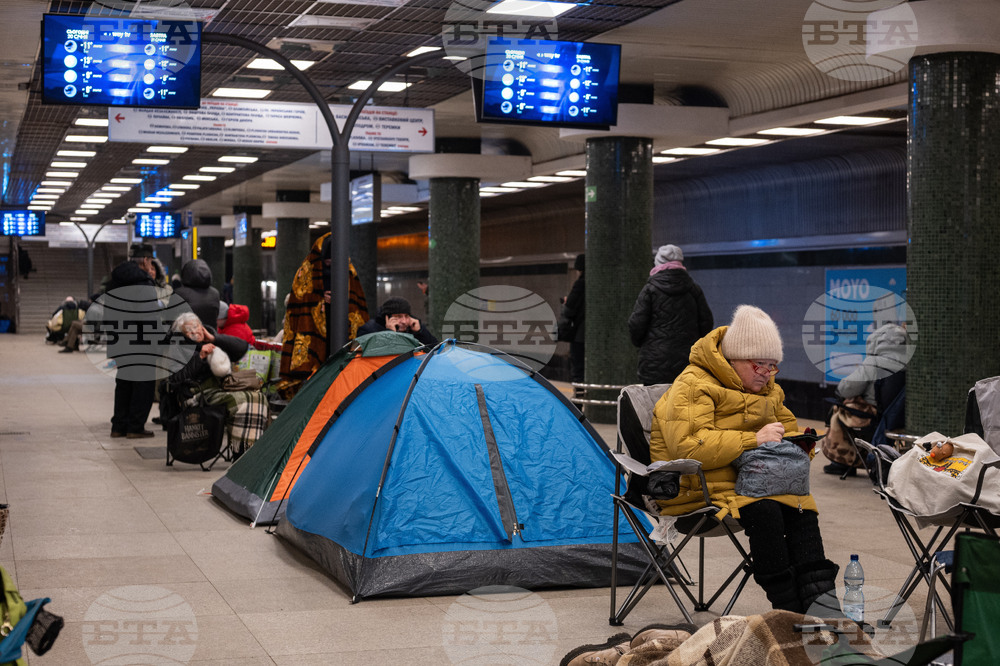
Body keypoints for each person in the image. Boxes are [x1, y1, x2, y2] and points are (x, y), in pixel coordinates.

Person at [650, 305, 839, 615]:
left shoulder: (769, 390)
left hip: (754, 480)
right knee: (765, 511)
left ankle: (824, 614)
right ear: (733, 359)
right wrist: (754, 439)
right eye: (759, 365)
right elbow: (688, 447)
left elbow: (788, 429)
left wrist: (802, 445)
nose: (766, 374)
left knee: (802, 507)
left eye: (772, 366)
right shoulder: (693, 384)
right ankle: (788, 614)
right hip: (697, 488)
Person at [275, 233, 369, 399]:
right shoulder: (306, 273)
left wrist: (340, 302)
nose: (330, 265)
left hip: (341, 333)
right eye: (327, 261)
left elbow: (356, 306)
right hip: (313, 337)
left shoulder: (349, 273)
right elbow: (300, 305)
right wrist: (320, 301)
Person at [165, 312, 268, 456]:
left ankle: (251, 449)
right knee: (239, 401)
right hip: (195, 393)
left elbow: (242, 347)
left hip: (219, 389)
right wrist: (200, 357)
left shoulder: (211, 341)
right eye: (189, 330)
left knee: (257, 397)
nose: (194, 332)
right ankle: (240, 450)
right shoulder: (178, 348)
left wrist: (214, 338)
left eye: (197, 327)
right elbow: (176, 379)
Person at [821, 322, 910, 476]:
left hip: (872, 416)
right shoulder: (911, 364)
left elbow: (847, 388)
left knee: (839, 409)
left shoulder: (874, 362)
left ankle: (841, 462)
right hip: (898, 419)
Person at [628, 244, 714, 385]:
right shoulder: (694, 289)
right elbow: (707, 323)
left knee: (654, 404)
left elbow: (636, 324)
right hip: (687, 362)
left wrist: (644, 346)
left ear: (658, 263)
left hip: (654, 362)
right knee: (684, 402)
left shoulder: (650, 289)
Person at [105, 244, 159, 439]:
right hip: (141, 342)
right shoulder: (143, 283)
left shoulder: (114, 281)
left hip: (120, 341)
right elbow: (149, 318)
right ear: (145, 260)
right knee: (143, 385)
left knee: (124, 383)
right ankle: (135, 427)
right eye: (151, 261)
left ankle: (118, 426)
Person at [357, 297, 439, 346]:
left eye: (406, 316)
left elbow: (435, 348)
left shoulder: (413, 326)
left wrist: (420, 332)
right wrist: (389, 333)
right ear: (387, 317)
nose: (404, 321)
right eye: (398, 316)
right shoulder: (368, 330)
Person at [171, 259, 221, 331]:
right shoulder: (215, 293)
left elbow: (170, 317)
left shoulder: (179, 293)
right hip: (210, 335)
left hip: (187, 337)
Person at [559, 253, 586, 385]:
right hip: (591, 336)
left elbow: (569, 309)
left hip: (579, 335)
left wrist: (566, 303)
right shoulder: (599, 283)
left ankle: (579, 402)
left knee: (578, 371)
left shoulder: (580, 284)